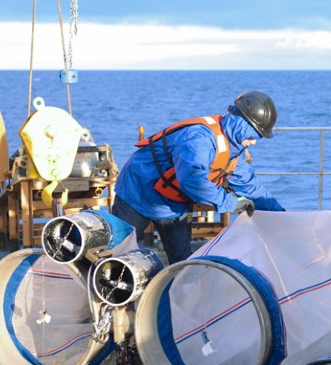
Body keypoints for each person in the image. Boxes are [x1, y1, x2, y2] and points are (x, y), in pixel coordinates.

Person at [113, 90, 285, 264]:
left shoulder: (234, 151)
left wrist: (282, 217)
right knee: (118, 254)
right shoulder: (199, 138)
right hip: (137, 192)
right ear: (241, 121)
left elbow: (251, 187)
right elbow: (191, 179)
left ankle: (173, 290)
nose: (254, 141)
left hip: (173, 205)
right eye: (253, 134)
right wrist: (231, 203)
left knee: (182, 261)